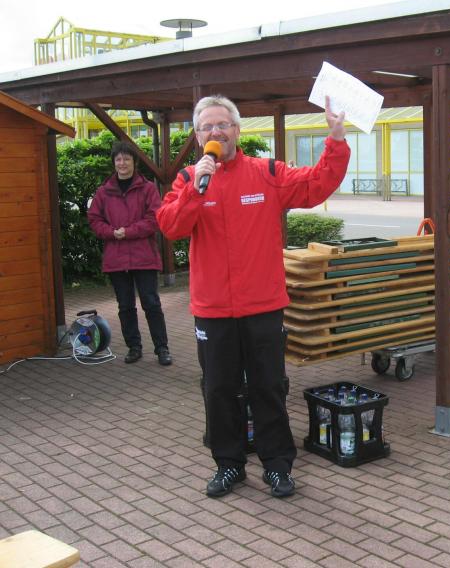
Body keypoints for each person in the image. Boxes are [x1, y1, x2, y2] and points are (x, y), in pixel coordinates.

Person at [156, 95, 349, 499]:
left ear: (237, 130)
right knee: (218, 390)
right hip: (213, 310)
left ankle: (277, 465)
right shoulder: (188, 179)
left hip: (263, 307)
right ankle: (228, 464)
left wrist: (335, 139)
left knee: (268, 387)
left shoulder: (267, 173)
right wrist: (195, 190)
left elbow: (316, 184)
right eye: (207, 126)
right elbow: (171, 227)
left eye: (223, 124)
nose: (216, 132)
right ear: (197, 136)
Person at [88, 141, 172, 366]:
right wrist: (111, 232)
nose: (122, 163)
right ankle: (134, 347)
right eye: (118, 159)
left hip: (144, 257)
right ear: (114, 163)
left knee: (151, 303)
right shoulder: (103, 192)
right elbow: (94, 219)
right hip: (116, 259)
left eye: (126, 159)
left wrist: (128, 232)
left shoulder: (148, 188)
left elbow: (155, 218)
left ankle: (162, 348)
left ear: (134, 162)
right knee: (125, 306)